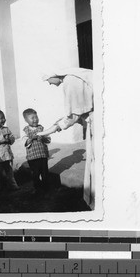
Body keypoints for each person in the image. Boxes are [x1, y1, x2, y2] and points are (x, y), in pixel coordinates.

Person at [38, 67, 95, 209]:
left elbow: (73, 116)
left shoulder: (71, 80)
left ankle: (96, 201)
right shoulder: (72, 78)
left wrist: (52, 129)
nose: (50, 84)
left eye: (48, 80)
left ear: (54, 74)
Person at [0, 109, 19, 191]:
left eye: (4, 118)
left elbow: (12, 137)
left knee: (9, 171)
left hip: (7, 155)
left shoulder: (6, 129)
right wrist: (3, 138)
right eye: (1, 118)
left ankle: (13, 186)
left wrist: (10, 140)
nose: (4, 120)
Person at [22, 108, 51, 194]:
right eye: (32, 118)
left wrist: (44, 138)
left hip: (42, 155)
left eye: (36, 117)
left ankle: (46, 188)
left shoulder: (41, 128)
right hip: (32, 157)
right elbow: (24, 141)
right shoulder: (25, 130)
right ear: (26, 120)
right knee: (35, 173)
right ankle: (37, 188)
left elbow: (48, 139)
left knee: (45, 172)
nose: (35, 120)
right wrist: (31, 138)